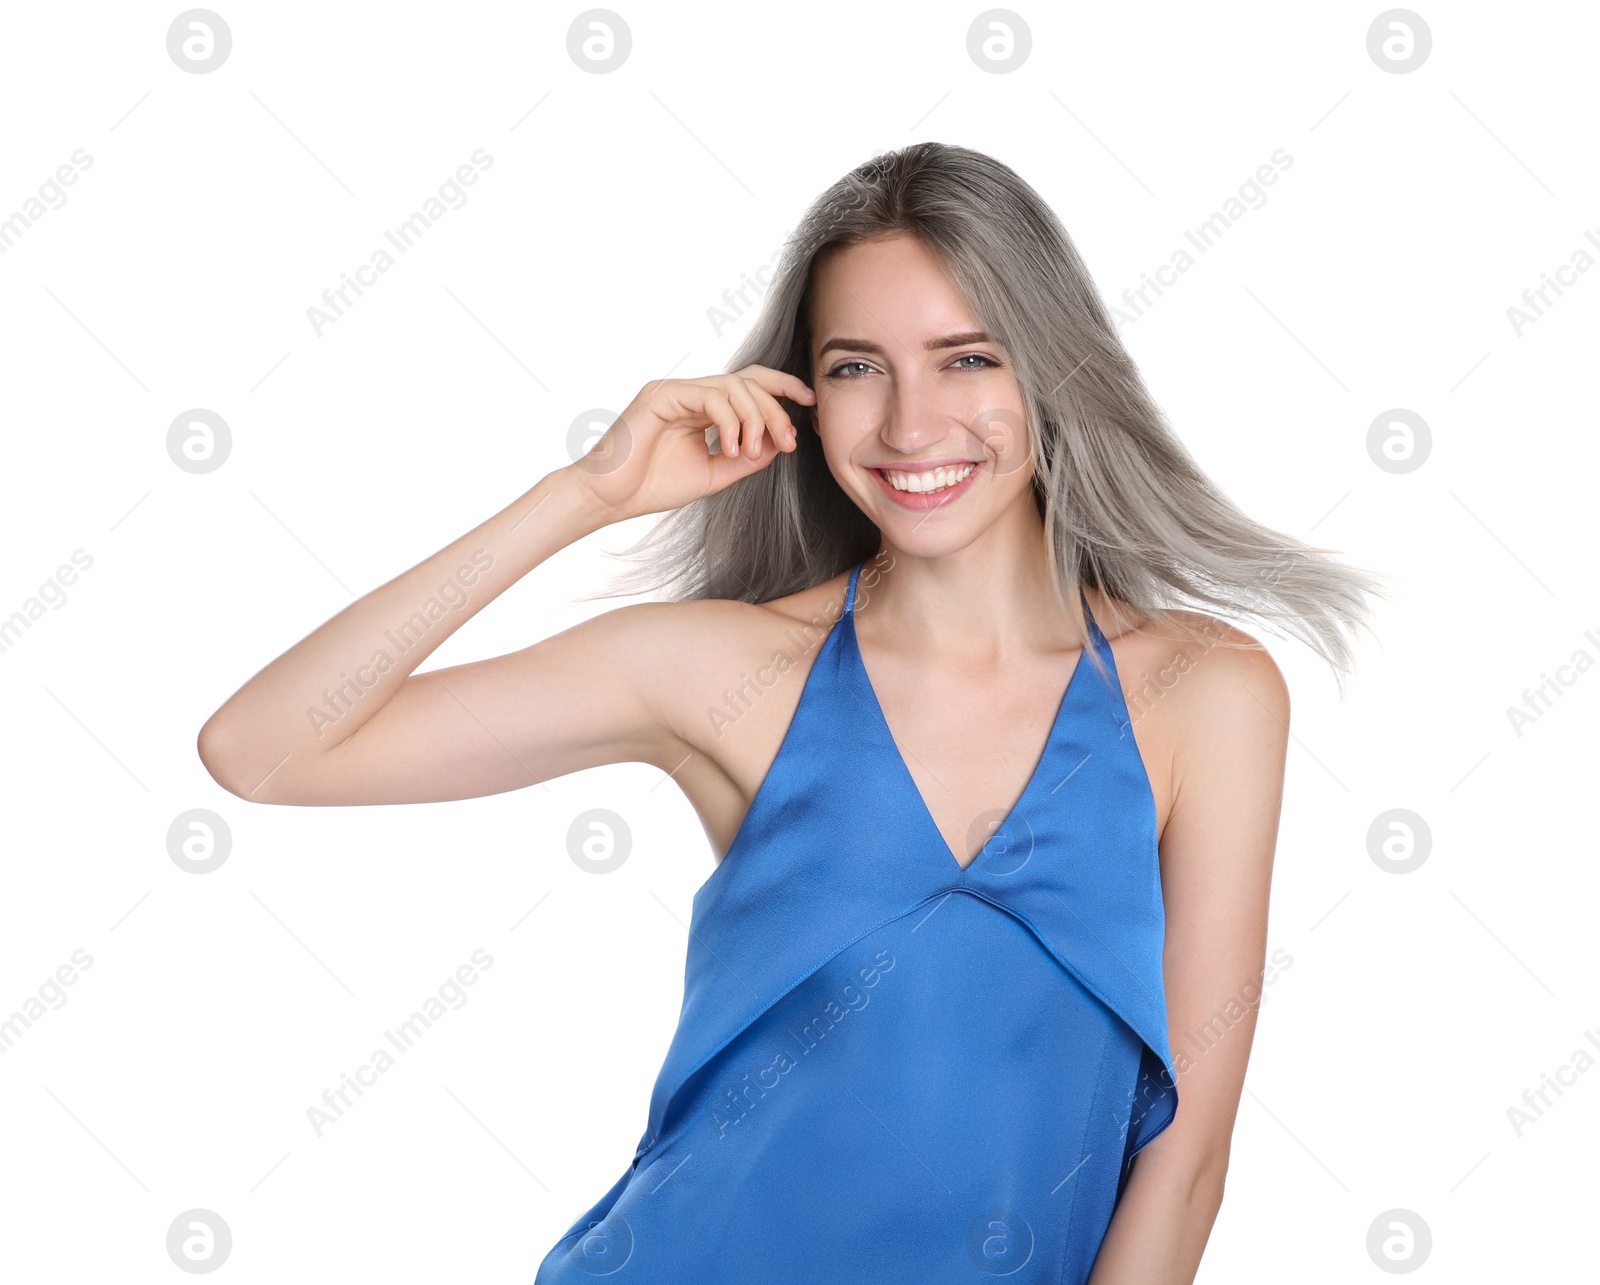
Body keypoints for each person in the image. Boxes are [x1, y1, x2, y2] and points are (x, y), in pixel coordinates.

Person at [198, 142, 1383, 1283]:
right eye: (857, 366)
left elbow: (1184, 1165)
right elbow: (264, 749)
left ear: (1051, 371)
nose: (911, 426)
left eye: (967, 358)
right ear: (805, 395)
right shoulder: (725, 670)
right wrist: (583, 495)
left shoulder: (1205, 692)